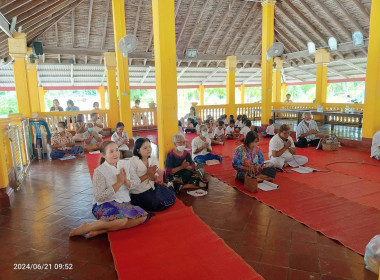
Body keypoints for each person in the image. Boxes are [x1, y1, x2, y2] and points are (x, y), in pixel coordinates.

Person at [69, 141, 150, 238]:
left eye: (116, 150)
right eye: (111, 151)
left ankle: (101, 230)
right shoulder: (99, 171)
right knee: (122, 220)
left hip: (123, 202)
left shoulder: (126, 164)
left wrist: (126, 182)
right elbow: (99, 197)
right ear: (103, 155)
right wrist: (118, 183)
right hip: (104, 204)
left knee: (143, 217)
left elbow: (136, 182)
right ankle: (88, 227)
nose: (116, 153)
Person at [129, 138, 176, 211]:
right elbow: (132, 183)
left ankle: (169, 186)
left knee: (170, 196)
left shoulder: (152, 159)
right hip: (138, 192)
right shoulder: (132, 162)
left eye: (149, 146)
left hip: (151, 187)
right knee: (158, 204)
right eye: (145, 148)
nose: (149, 149)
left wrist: (152, 175)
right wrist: (147, 174)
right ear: (138, 150)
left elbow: (154, 179)